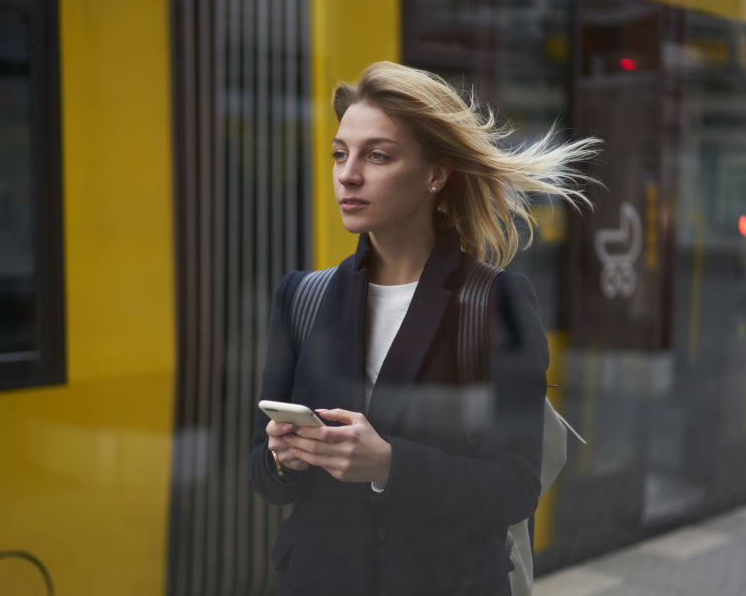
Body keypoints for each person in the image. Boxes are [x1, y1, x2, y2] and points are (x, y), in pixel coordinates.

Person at [247, 61, 599, 596]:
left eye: (378, 156)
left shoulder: (496, 302)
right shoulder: (302, 297)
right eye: (340, 154)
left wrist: (388, 464)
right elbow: (264, 479)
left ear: (435, 173)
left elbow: (514, 488)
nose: (348, 174)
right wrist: (283, 458)